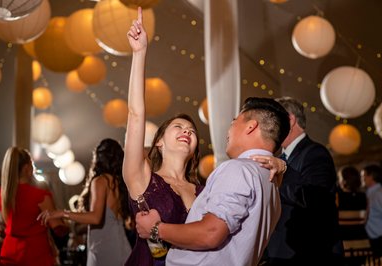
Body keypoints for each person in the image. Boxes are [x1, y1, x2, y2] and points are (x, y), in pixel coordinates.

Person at [124, 8, 287, 266]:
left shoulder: (205, 189)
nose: (187, 131)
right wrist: (139, 53)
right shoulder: (142, 178)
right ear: (158, 140)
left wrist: (280, 164)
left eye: (191, 130)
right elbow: (135, 114)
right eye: (178, 127)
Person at [135, 97, 291, 266]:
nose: (228, 130)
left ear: (251, 126)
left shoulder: (238, 169)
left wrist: (156, 228)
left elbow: (211, 233)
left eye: (233, 122)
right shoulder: (272, 184)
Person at [264, 96, 340, 266]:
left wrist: (281, 175)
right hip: (281, 252)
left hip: (308, 254)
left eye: (273, 120)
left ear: (290, 120)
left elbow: (316, 199)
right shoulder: (279, 158)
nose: (269, 128)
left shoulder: (315, 153)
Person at [38, 138, 132, 266]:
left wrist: (62, 213)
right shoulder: (120, 183)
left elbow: (95, 218)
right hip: (122, 247)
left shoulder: (100, 181)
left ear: (98, 157)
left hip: (104, 250)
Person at [0, 147, 68, 265]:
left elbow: (4, 224)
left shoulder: (1, 194)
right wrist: (66, 220)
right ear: (27, 168)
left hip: (9, 254)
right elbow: (58, 229)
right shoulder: (40, 196)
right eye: (32, 164)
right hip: (35, 254)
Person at [361, 164, 382, 258]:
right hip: (372, 238)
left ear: (371, 176)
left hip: (379, 238)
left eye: (363, 175)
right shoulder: (370, 193)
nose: (361, 178)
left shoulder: (379, 194)